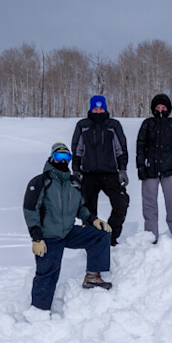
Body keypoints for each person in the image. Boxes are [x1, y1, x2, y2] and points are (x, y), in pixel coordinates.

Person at [23, 142, 113, 312]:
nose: (63, 161)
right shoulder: (41, 182)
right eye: (59, 157)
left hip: (69, 232)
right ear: (52, 158)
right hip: (48, 237)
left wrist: (93, 220)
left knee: (100, 234)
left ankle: (93, 276)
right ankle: (39, 312)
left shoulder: (74, 183)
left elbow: (81, 208)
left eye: (66, 157)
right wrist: (36, 237)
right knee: (47, 275)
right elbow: (30, 210)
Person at [71, 95, 130, 246]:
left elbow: (120, 149)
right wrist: (76, 171)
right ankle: (93, 239)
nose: (98, 111)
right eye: (95, 109)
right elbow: (77, 149)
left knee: (121, 203)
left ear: (105, 108)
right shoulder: (83, 125)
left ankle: (111, 236)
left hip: (110, 173)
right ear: (91, 109)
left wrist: (122, 170)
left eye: (101, 108)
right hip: (88, 174)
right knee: (88, 210)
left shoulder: (113, 125)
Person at [136, 93, 172, 243]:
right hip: (150, 171)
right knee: (149, 206)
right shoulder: (147, 124)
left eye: (163, 107)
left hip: (169, 170)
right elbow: (140, 146)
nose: (160, 110)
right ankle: (151, 237)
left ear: (168, 109)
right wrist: (140, 166)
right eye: (157, 107)